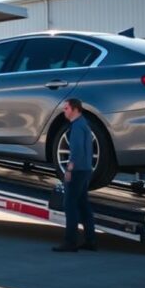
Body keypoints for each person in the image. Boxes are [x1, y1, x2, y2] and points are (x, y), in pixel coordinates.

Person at [53, 98, 98, 252]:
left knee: (69, 205)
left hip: (77, 170)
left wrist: (69, 169)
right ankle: (90, 240)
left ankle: (70, 242)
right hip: (85, 169)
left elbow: (77, 150)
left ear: (74, 109)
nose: (64, 111)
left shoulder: (77, 126)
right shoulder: (84, 123)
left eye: (66, 108)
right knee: (83, 205)